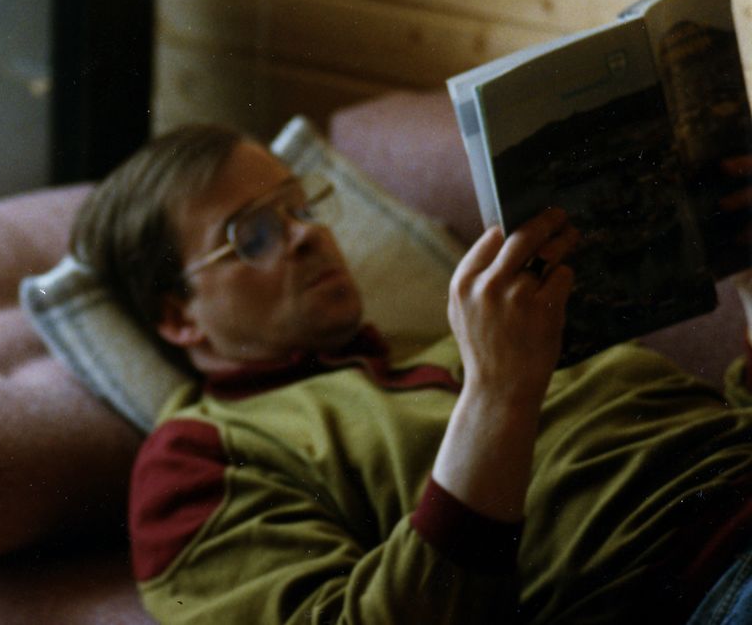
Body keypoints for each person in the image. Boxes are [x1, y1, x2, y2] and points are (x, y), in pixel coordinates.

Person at [70, 124, 752, 624]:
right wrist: (497, 395)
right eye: (254, 236)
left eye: (300, 207)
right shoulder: (195, 463)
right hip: (702, 581)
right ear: (178, 317)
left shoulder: (445, 346)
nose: (307, 234)